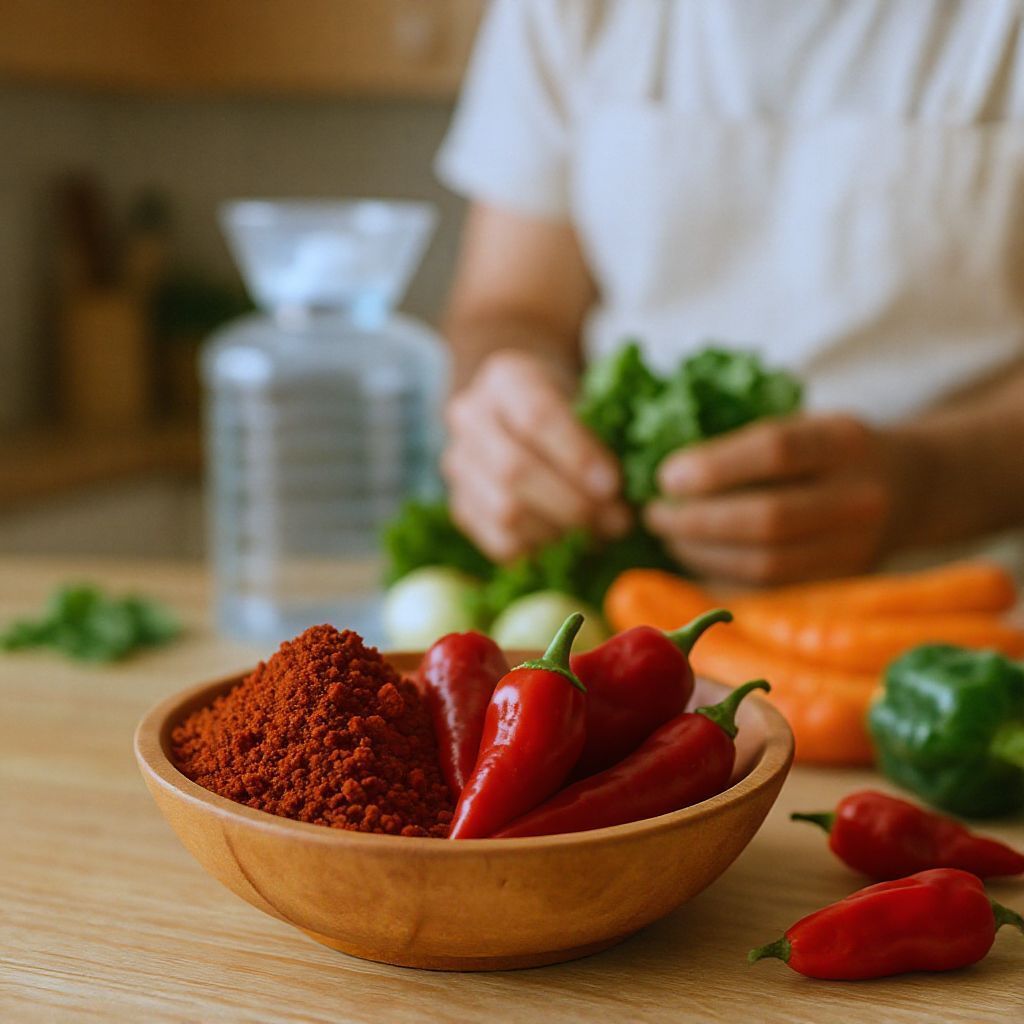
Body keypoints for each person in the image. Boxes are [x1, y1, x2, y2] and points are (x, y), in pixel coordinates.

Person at [435, 0, 1024, 585]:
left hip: (977, 602)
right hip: (634, 606)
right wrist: (509, 416)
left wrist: (925, 483)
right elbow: (510, 307)